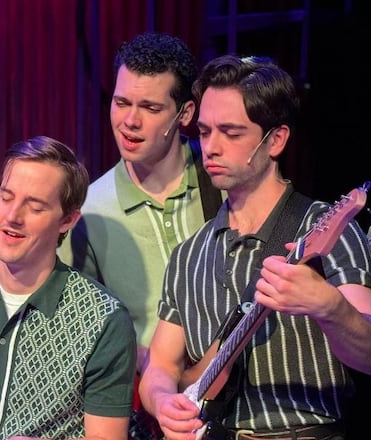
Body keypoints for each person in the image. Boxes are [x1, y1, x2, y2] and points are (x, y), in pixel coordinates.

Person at [138, 55, 371, 440]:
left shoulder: (326, 230)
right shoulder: (189, 254)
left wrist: (330, 306)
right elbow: (161, 367)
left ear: (276, 140)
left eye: (232, 133)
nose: (212, 148)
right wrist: (162, 401)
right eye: (204, 132)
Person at [0, 136, 137, 440]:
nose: (12, 217)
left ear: (67, 220)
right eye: (6, 198)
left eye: (34, 207)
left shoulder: (104, 320)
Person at [58, 32, 222, 376]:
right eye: (121, 103)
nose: (130, 121)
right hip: (153, 407)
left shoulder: (223, 183)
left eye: (150, 107)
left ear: (186, 112)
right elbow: (83, 327)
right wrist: (163, 371)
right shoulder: (87, 212)